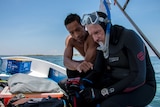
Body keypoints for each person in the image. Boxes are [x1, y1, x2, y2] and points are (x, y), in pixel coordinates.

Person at [72, 11, 156, 107]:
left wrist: (104, 92)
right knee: (79, 97)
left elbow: (138, 77)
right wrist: (81, 82)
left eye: (97, 32)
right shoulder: (102, 44)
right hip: (117, 82)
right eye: (92, 35)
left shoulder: (129, 37)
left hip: (143, 87)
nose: (95, 39)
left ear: (107, 27)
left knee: (108, 104)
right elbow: (97, 71)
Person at [63, 13, 98, 78]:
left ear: (83, 26)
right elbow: (66, 61)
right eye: (72, 32)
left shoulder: (91, 37)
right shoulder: (70, 40)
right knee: (69, 70)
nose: (76, 35)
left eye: (78, 30)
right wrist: (77, 66)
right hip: (86, 66)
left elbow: (87, 63)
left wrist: (76, 65)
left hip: (98, 66)